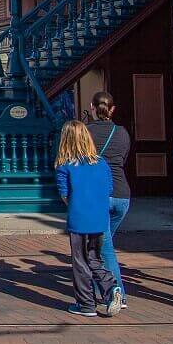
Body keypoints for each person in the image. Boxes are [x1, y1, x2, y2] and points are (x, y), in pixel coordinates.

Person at [55, 120, 123, 318]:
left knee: (80, 263)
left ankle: (86, 304)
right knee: (94, 259)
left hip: (79, 218)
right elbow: (109, 188)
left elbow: (65, 194)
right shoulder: (101, 163)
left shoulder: (65, 166)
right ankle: (111, 287)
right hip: (99, 218)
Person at [85, 92, 132, 305]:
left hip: (99, 193)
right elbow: (123, 159)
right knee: (102, 243)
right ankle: (102, 286)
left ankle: (115, 292)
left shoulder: (86, 133)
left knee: (104, 246)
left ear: (92, 107)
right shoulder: (121, 133)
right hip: (122, 193)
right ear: (112, 109)